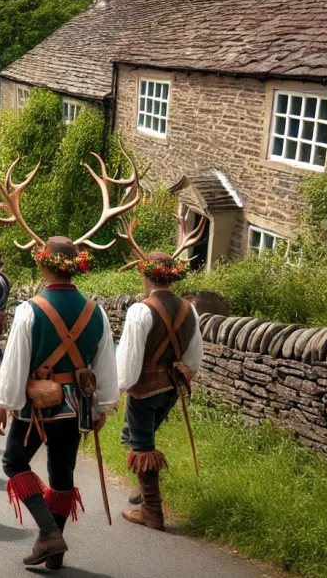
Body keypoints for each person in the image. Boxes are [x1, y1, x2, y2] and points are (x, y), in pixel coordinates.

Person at [0, 237, 119, 568]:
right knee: (62, 473)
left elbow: (15, 363)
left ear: (43, 264)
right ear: (75, 267)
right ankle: (55, 553)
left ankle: (49, 533)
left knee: (14, 463)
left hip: (35, 407)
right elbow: (106, 363)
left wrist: (4, 403)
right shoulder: (97, 311)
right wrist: (102, 406)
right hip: (77, 407)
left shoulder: (28, 310)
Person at [115, 224, 205, 531]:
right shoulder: (189, 310)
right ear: (172, 276)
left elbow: (128, 361)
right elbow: (194, 358)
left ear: (145, 275)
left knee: (142, 446)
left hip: (144, 391)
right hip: (172, 388)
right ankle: (144, 487)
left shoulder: (141, 310)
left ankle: (152, 511)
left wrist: (115, 391)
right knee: (135, 435)